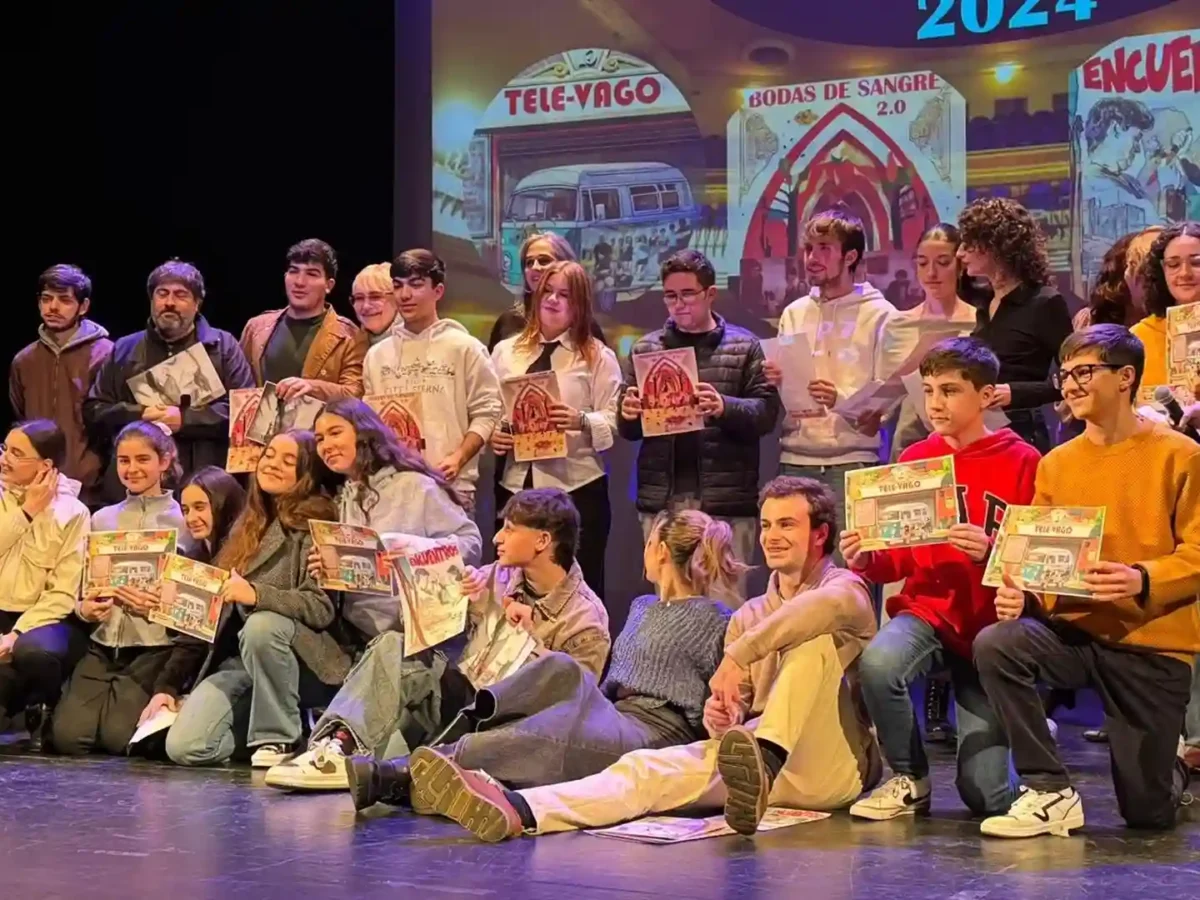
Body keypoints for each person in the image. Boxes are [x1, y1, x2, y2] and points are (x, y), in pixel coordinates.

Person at [404, 477, 881, 842]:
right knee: (643, 773)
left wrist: (736, 656)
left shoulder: (846, 590)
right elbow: (738, 709)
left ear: (821, 535)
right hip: (754, 771)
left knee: (811, 638)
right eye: (769, 525)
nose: (773, 536)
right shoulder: (748, 615)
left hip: (830, 764)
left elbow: (818, 612)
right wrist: (725, 715)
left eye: (788, 525)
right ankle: (519, 810)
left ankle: (767, 756)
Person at [974, 325, 1200, 838]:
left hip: (1152, 647)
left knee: (1147, 815)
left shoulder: (1180, 455)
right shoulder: (1056, 464)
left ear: (1125, 378)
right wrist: (1021, 589)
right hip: (1075, 633)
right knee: (999, 643)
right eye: (1065, 374)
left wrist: (1140, 577)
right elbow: (1037, 553)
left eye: (1083, 372)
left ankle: (1170, 770)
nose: (1069, 385)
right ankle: (1049, 788)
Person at [401, 508, 741, 817]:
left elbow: (709, 707)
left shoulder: (716, 619)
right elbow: (604, 684)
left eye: (649, 541)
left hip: (658, 732)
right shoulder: (643, 606)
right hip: (616, 713)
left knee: (554, 732)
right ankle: (462, 734)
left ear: (662, 551)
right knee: (562, 667)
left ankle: (417, 768)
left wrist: (714, 719)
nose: (645, 549)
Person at [840, 338, 1040, 821]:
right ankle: (909, 776)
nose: (935, 403)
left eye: (949, 390)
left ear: (987, 396)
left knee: (987, 798)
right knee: (881, 662)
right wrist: (866, 560)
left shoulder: (1024, 461)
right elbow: (895, 564)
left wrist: (994, 555)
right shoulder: (915, 460)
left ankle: (1028, 766)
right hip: (928, 611)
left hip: (991, 632)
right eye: (929, 390)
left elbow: (1040, 562)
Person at [340, 488, 612, 810]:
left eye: (510, 529)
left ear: (542, 541)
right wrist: (443, 588)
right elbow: (425, 630)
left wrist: (531, 641)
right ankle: (337, 743)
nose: (497, 537)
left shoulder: (584, 618)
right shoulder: (498, 575)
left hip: (508, 726)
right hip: (461, 699)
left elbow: (577, 703)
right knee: (392, 645)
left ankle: (409, 774)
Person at [262, 399, 482, 789]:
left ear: (363, 432)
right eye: (320, 438)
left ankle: (336, 747)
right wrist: (327, 570)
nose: (326, 444)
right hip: (360, 644)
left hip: (417, 647)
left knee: (388, 730)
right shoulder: (345, 496)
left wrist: (412, 548)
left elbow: (470, 541)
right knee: (385, 747)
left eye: (335, 433)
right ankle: (327, 746)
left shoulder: (414, 486)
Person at [164, 431, 339, 768]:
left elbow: (320, 608)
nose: (272, 464)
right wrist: (166, 605)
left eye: (288, 461)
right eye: (269, 454)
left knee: (262, 625)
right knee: (186, 747)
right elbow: (216, 610)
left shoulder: (318, 522)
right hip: (241, 663)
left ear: (306, 473)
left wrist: (256, 594)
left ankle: (279, 737)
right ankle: (277, 732)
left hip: (300, 658)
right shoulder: (248, 523)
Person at [620, 249, 780, 591]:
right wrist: (628, 412)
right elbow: (628, 430)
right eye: (670, 296)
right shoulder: (645, 349)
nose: (678, 304)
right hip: (663, 501)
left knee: (727, 601)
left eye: (687, 294)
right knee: (667, 601)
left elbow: (766, 414)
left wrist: (723, 406)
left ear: (710, 294)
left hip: (725, 502)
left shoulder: (744, 346)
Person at [52, 423, 195, 755]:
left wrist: (160, 606)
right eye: (124, 460)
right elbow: (79, 584)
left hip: (154, 648)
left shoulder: (185, 522)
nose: (132, 469)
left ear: (164, 460)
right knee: (68, 740)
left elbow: (197, 602)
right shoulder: (101, 519)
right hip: (103, 643)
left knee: (119, 741)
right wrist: (83, 609)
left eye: (142, 459)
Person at [764, 209, 893, 557]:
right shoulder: (793, 312)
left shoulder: (880, 314)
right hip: (795, 460)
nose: (812, 258)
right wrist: (778, 380)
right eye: (808, 248)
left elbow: (889, 396)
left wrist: (842, 399)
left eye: (823, 248)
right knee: (795, 569)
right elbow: (788, 388)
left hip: (853, 464)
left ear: (850, 256)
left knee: (849, 574)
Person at [491, 260, 621, 596]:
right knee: (515, 586)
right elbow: (490, 409)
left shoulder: (596, 357)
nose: (552, 300)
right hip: (518, 483)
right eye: (547, 291)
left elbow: (615, 418)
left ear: (579, 304)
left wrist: (580, 420)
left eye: (564, 294)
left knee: (579, 586)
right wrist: (497, 432)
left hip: (576, 486)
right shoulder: (507, 352)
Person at [84, 260, 254, 505]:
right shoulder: (124, 349)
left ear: (198, 304)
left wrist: (185, 419)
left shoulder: (223, 346)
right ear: (152, 300)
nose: (169, 302)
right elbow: (95, 410)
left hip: (207, 484)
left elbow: (246, 413)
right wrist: (140, 414)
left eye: (181, 295)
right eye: (162, 294)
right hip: (136, 489)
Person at [361, 249, 501, 507]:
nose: (405, 295)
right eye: (398, 286)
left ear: (438, 291)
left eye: (416, 285)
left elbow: (488, 412)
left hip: (449, 486)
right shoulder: (376, 356)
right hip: (389, 488)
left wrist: (458, 457)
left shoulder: (464, 348)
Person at [132, 467, 247, 736]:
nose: (191, 518)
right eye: (185, 510)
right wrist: (165, 689)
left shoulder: (247, 554)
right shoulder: (195, 557)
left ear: (222, 504)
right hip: (210, 668)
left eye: (199, 507)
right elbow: (190, 638)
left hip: (242, 665)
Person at [0, 420, 91, 750]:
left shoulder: (73, 513)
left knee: (35, 650)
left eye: (17, 453)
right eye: (5, 449)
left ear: (45, 466)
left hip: (41, 622)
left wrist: (17, 633)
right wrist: (26, 512)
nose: (5, 459)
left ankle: (44, 703)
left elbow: (63, 592)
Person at [956, 198, 1073, 454]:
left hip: (1021, 432)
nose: (960, 253)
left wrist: (1015, 392)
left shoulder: (1045, 302)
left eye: (968, 244)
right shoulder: (984, 302)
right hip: (979, 430)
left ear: (994, 246)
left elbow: (1075, 377)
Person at [10, 265, 113, 507]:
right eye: (46, 299)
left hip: (90, 486)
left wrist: (95, 469)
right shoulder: (24, 360)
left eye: (64, 300)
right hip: (35, 484)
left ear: (83, 306)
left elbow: (113, 423)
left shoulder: (107, 354)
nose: (53, 307)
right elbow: (22, 417)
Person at [881, 223, 981, 462]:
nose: (931, 273)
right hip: (912, 443)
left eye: (943, 263)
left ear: (959, 266)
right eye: (923, 263)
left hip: (969, 440)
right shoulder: (899, 323)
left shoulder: (979, 320)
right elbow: (885, 394)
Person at [240, 238, 365, 403]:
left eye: (312, 274)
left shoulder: (350, 336)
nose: (299, 282)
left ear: (329, 285)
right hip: (262, 428)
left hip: (318, 428)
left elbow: (356, 393)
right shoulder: (256, 327)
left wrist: (312, 388)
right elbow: (238, 387)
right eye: (293, 271)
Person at [489, 232, 606, 352]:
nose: (535, 267)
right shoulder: (508, 323)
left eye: (544, 261)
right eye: (529, 262)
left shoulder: (587, 327)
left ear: (566, 265)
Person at [1131, 222, 1200, 393]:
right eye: (1173, 265)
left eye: (1196, 263)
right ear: (1161, 270)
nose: (1185, 273)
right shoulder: (1139, 337)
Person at [350, 262, 401, 347]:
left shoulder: (416, 341)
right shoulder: (351, 346)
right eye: (359, 298)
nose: (366, 306)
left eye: (375, 297)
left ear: (397, 298)